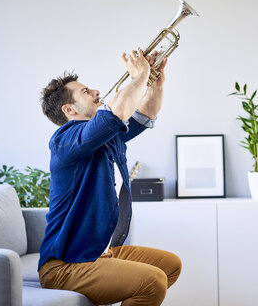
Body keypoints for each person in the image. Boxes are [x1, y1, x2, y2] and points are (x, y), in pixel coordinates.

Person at [38, 48, 181, 306]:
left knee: (171, 266)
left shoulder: (105, 137)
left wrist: (155, 83)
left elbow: (144, 115)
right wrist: (139, 76)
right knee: (153, 281)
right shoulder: (64, 140)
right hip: (64, 266)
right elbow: (115, 114)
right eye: (85, 91)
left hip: (98, 253)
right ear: (69, 109)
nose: (95, 92)